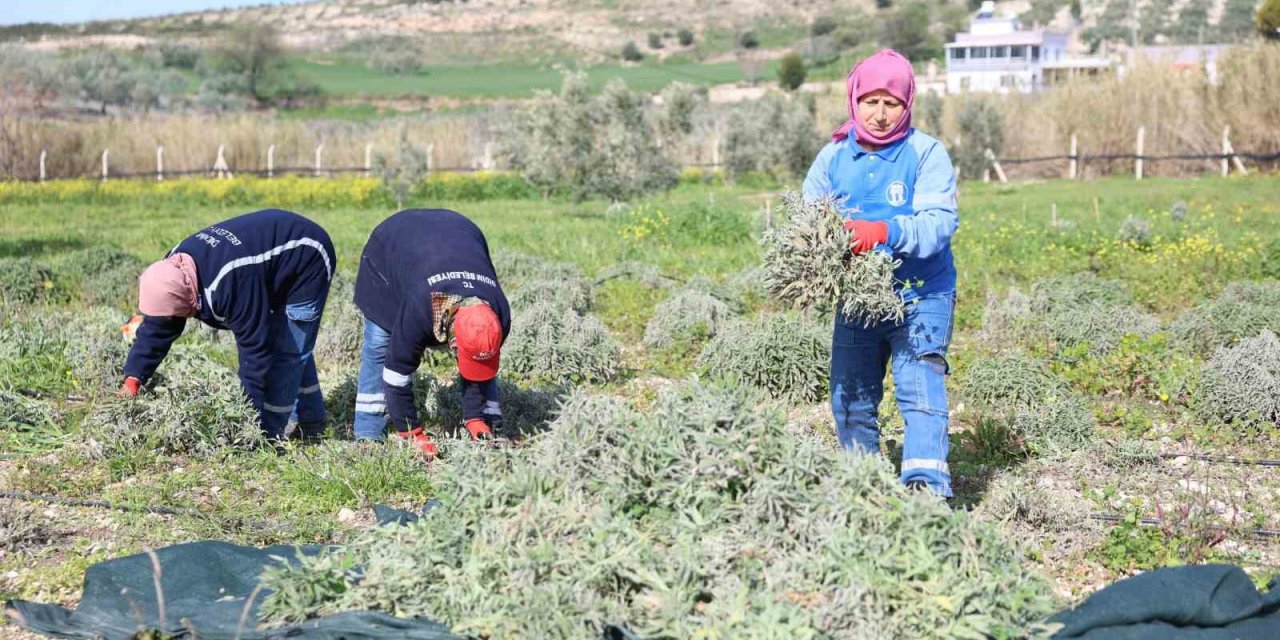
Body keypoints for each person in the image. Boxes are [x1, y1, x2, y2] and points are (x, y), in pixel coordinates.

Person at [802, 49, 960, 498]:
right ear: (854, 100)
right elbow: (810, 223)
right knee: (850, 398)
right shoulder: (832, 158)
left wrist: (882, 231)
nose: (880, 113)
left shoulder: (926, 153)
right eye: (870, 100)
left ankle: (926, 496)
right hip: (858, 298)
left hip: (921, 293)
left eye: (891, 102)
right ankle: (864, 489)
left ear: (906, 104)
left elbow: (938, 225)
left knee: (920, 391)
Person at [120, 209, 336, 441]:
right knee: (289, 344)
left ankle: (272, 434)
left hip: (307, 255)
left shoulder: (230, 283)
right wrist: (134, 377)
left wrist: (249, 422)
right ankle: (312, 418)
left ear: (187, 299)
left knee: (288, 351)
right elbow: (158, 326)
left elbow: (255, 352)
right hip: (265, 259)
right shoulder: (170, 270)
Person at [351, 208, 511, 458]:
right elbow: (397, 374)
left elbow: (480, 365)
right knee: (380, 343)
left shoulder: (498, 314)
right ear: (453, 342)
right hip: (390, 244)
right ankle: (368, 434)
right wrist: (412, 432)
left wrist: (476, 417)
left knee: (480, 364)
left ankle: (488, 426)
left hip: (458, 230)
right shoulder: (419, 310)